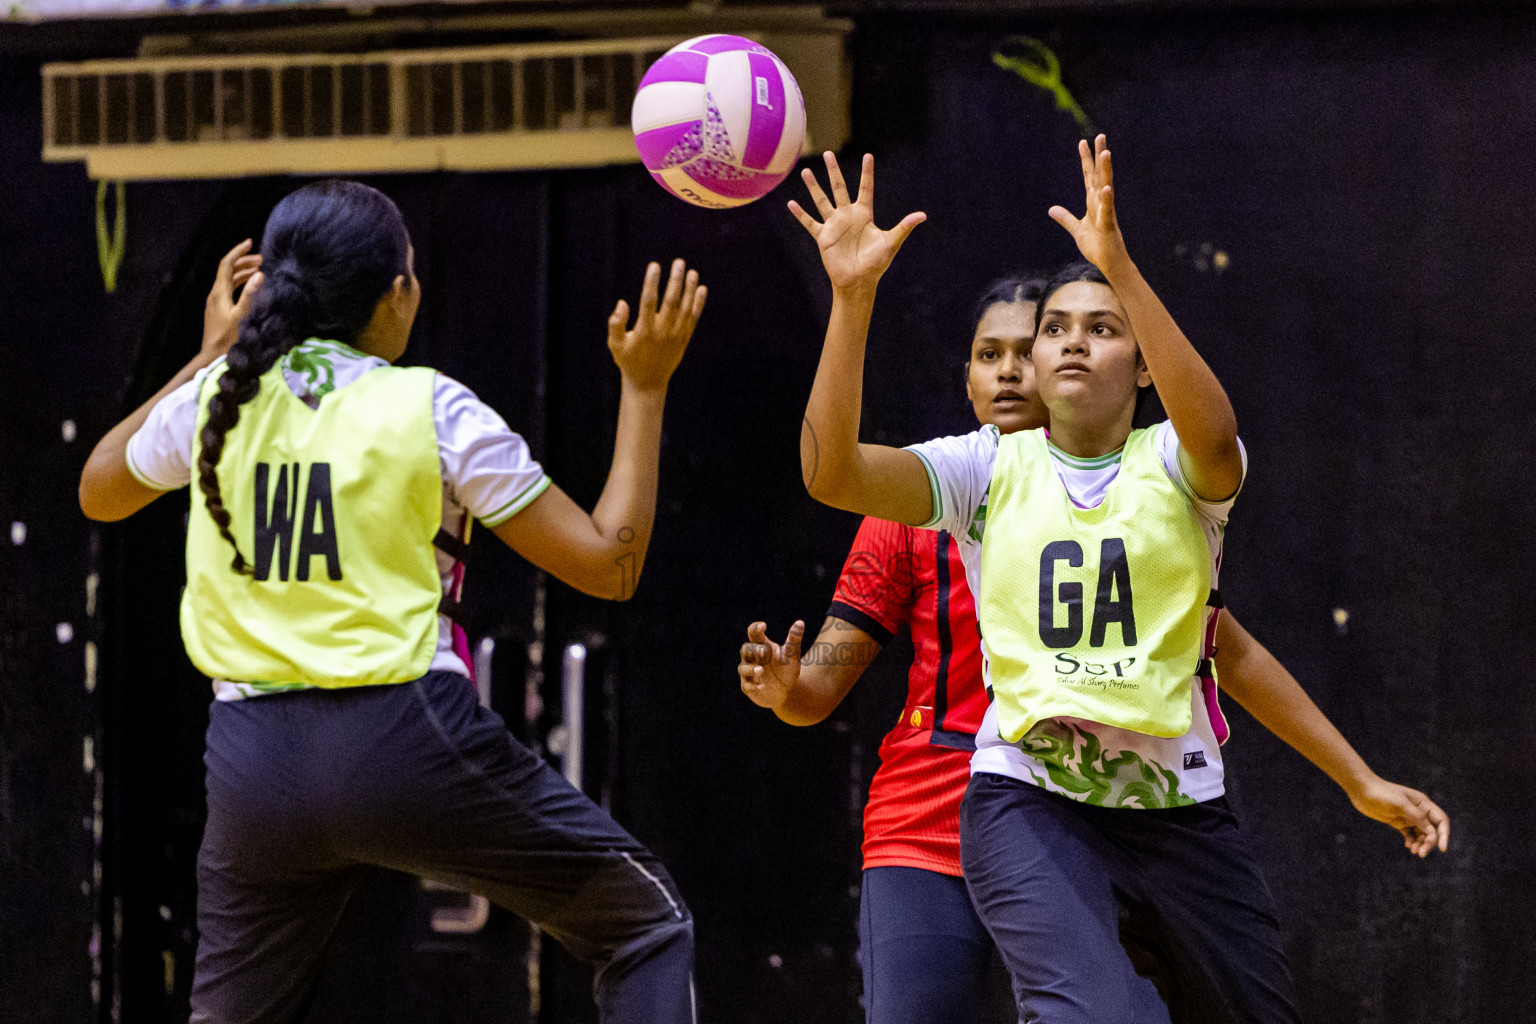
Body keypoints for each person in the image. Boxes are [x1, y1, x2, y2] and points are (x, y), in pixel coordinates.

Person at [774, 139, 1448, 1023]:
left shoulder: (1177, 466)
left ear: (1143, 363)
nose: (1070, 343)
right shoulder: (982, 471)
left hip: (1177, 807)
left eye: (1101, 328)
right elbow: (830, 474)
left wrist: (1120, 268)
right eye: (1055, 328)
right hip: (1029, 797)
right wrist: (852, 298)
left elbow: (1218, 470)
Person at [77, 180, 707, 1024]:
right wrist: (645, 389)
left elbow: (99, 489)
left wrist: (208, 354)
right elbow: (609, 564)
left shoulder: (215, 400)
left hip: (252, 768)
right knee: (644, 925)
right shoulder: (431, 406)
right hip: (403, 736)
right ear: (396, 293)